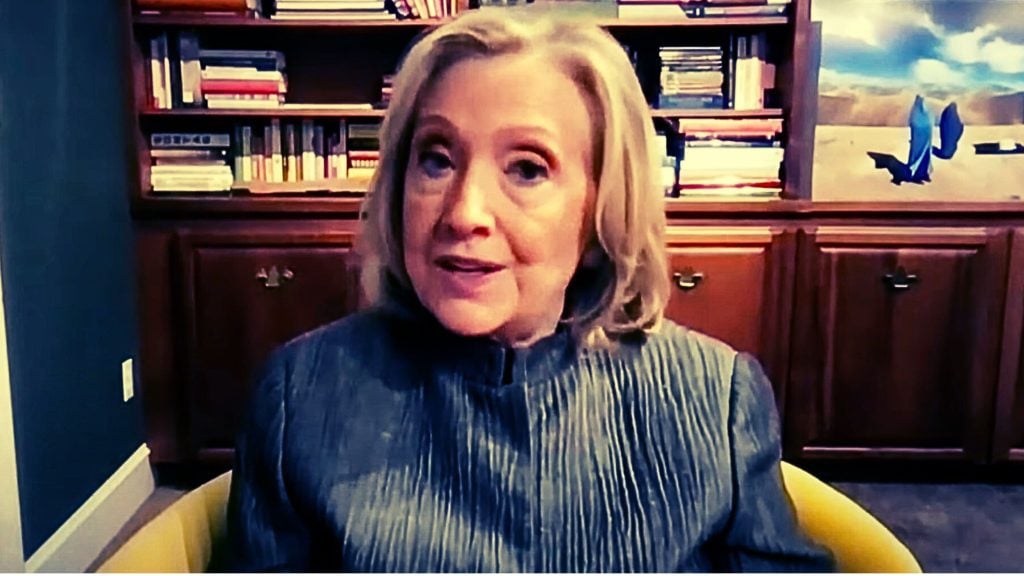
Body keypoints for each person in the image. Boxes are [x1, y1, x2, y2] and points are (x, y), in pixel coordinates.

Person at [221, 8, 836, 572]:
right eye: (436, 158)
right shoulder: (298, 396)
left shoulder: (715, 398)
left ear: (602, 208)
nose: (464, 213)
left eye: (527, 168)